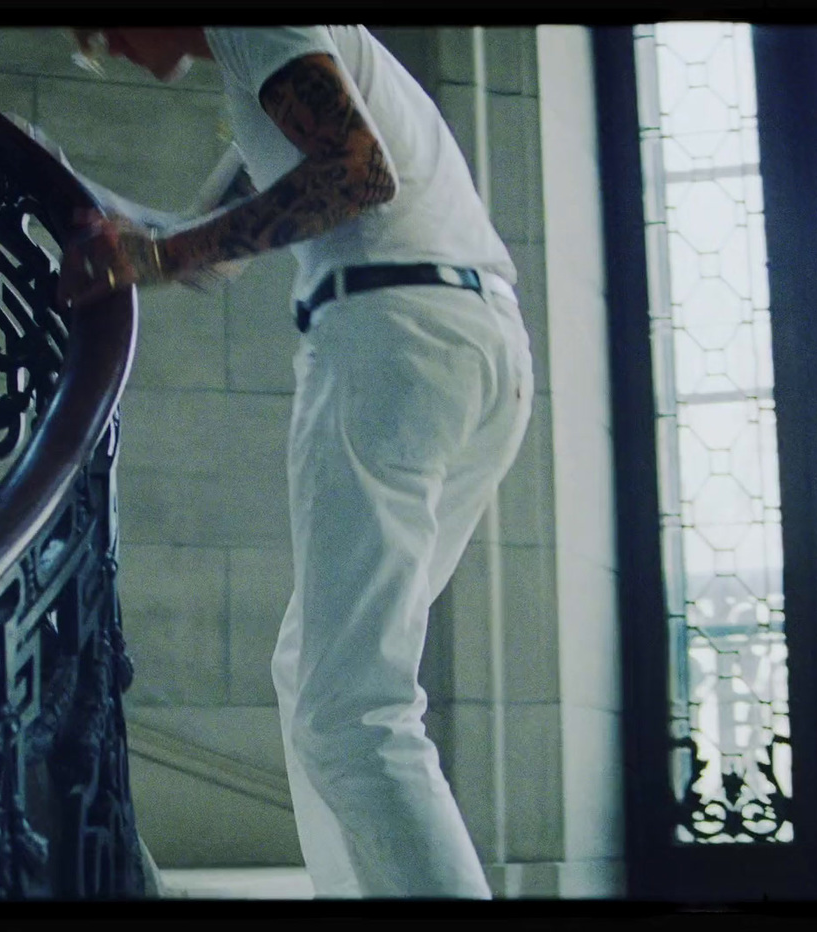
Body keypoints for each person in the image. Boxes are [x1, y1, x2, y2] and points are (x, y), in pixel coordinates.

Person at [56, 26, 533, 898]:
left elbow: (356, 174)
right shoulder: (271, 59)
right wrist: (112, 224)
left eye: (101, 26)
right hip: (471, 345)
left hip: (393, 340)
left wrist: (157, 254)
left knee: (354, 710)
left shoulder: (253, 24)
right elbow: (222, 252)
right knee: (318, 676)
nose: (107, 49)